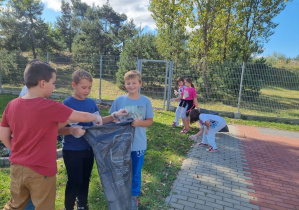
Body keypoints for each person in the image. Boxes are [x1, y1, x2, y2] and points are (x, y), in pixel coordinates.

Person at [0, 59, 106, 210]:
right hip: (41, 170)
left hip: (17, 167)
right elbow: (80, 116)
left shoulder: (12, 104)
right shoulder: (49, 106)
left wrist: (17, 153)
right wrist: (96, 118)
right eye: (53, 82)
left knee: (14, 205)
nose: (54, 86)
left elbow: (3, 135)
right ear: (43, 83)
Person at [58, 70, 128, 210]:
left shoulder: (91, 103)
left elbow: (99, 121)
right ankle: (68, 207)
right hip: (72, 150)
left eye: (89, 87)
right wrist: (71, 130)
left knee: (85, 179)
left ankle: (82, 205)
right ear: (74, 85)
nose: (87, 91)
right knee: (75, 181)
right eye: (84, 87)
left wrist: (115, 115)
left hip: (89, 149)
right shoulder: (66, 104)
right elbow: (59, 129)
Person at [109, 70, 154, 210]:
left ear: (140, 84)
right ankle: (120, 194)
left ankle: (133, 196)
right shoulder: (119, 100)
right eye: (128, 83)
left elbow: (150, 121)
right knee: (121, 171)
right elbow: (112, 118)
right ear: (125, 84)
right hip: (121, 144)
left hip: (138, 145)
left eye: (134, 83)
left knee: (135, 171)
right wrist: (117, 119)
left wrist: (140, 123)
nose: (131, 85)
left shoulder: (145, 101)